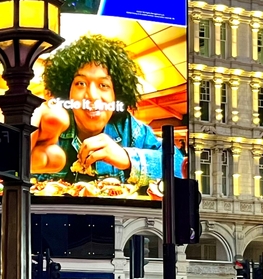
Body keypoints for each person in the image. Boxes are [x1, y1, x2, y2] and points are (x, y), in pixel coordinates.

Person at [30, 34, 184, 186]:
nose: (92, 95)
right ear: (66, 92)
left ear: (116, 94)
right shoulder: (51, 127)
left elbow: (180, 166)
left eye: (103, 85)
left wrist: (128, 158)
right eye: (80, 83)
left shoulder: (130, 129)